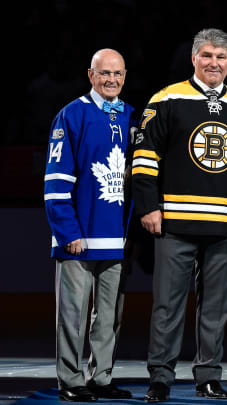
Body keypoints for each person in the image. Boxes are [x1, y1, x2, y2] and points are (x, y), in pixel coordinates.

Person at [131, 28, 227, 402]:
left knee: (216, 307)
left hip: (224, 224)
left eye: (220, 57)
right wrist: (148, 206)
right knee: (167, 303)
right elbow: (143, 158)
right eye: (206, 55)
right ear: (193, 59)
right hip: (175, 221)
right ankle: (160, 376)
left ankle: (208, 376)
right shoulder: (167, 98)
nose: (213, 63)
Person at [44, 48, 135, 402]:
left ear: (125, 76)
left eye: (118, 73)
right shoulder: (71, 115)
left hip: (117, 239)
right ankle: (70, 379)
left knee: (110, 316)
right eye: (104, 73)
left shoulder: (131, 115)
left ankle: (101, 377)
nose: (111, 80)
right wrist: (69, 233)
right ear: (91, 75)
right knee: (73, 315)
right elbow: (55, 182)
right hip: (79, 238)